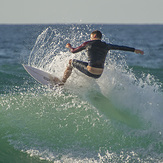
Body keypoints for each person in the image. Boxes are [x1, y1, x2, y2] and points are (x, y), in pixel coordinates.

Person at [61, 30, 144, 83]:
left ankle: (62, 82)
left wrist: (69, 46)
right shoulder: (106, 45)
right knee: (88, 64)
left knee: (71, 62)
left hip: (90, 71)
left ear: (94, 36)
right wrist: (134, 50)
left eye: (90, 37)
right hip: (99, 74)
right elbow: (120, 47)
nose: (90, 39)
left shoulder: (87, 44)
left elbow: (73, 51)